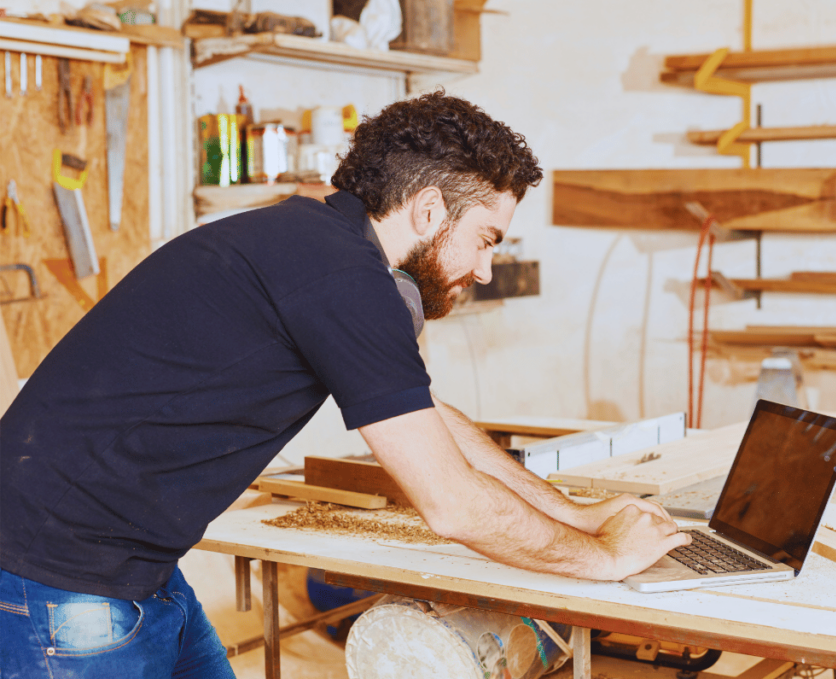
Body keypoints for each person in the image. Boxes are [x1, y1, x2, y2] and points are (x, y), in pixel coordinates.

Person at [0, 91, 690, 677]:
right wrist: (600, 562)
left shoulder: (324, 247)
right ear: (426, 211)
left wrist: (577, 515)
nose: (485, 268)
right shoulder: (342, 277)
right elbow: (449, 503)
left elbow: (431, 420)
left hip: (132, 568)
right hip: (65, 580)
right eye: (485, 238)